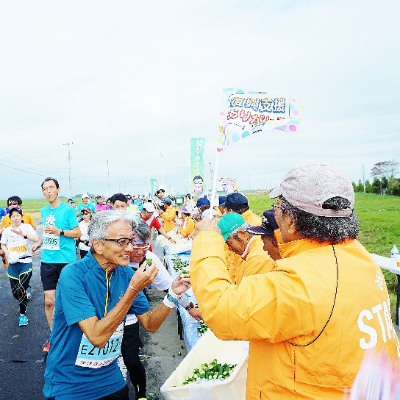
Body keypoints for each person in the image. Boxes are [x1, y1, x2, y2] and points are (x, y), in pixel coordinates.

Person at [190, 160, 399, 399]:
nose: (275, 212)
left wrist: (207, 239)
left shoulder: (300, 281)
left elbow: (220, 309)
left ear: (290, 220)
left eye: (277, 206)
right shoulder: (359, 256)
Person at [43, 210, 191, 400]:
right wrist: (132, 290)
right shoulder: (73, 275)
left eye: (131, 241)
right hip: (71, 383)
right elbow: (96, 337)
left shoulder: (125, 274)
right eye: (122, 242)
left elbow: (150, 324)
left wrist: (172, 295)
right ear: (97, 244)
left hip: (110, 378)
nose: (130, 249)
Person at [122, 220, 200, 399]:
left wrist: (190, 307)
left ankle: (141, 393)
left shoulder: (149, 259)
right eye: (136, 246)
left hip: (131, 318)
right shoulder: (118, 259)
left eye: (145, 246)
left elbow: (169, 286)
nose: (141, 251)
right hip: (109, 316)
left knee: (132, 360)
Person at [31, 177, 81, 352]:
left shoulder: (67, 210)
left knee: (70, 300)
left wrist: (59, 231)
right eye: (45, 189)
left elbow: (77, 233)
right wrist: (39, 242)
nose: (48, 191)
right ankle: (55, 338)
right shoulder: (44, 211)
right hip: (47, 261)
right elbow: (48, 232)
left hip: (66, 261)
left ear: (58, 190)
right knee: (49, 302)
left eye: (51, 188)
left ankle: (75, 336)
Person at [1, 208, 39, 326]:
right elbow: (2, 244)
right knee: (15, 293)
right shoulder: (7, 230)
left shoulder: (27, 227)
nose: (16, 218)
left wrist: (23, 234)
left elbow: (36, 239)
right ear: (10, 218)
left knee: (21, 289)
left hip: (26, 262)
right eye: (13, 216)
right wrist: (7, 253)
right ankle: (22, 301)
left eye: (18, 215)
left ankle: (22, 315)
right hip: (12, 264)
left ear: (21, 217)